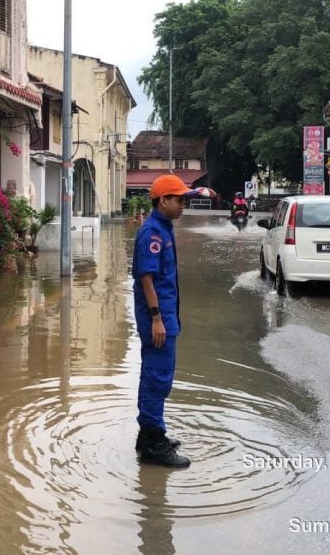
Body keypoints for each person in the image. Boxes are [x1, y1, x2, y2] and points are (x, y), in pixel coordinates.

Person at [131, 174, 193, 468]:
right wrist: (156, 318)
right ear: (163, 200)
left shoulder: (163, 228)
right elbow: (146, 277)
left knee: (157, 376)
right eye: (179, 200)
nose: (183, 205)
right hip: (158, 317)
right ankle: (154, 446)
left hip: (166, 313)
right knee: (158, 378)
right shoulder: (152, 233)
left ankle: (149, 436)